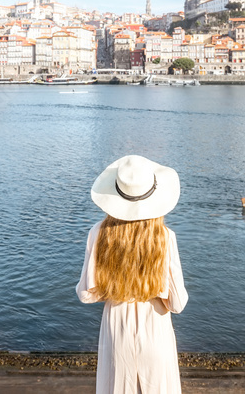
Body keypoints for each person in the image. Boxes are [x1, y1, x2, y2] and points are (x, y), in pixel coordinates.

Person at [76, 154, 188, 394]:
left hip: (117, 331)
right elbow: (178, 304)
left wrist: (114, 284)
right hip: (155, 331)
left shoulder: (98, 233)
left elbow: (86, 295)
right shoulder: (165, 237)